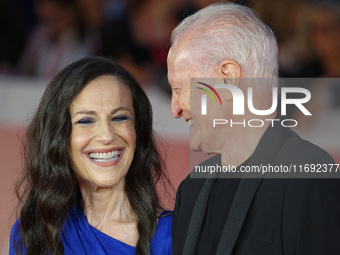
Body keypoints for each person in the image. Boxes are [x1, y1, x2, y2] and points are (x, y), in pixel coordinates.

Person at [167, 2, 340, 255]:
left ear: (227, 78)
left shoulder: (308, 177)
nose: (175, 109)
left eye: (180, 88)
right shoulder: (191, 190)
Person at [10, 56, 172, 255]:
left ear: (137, 131)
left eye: (119, 118)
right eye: (86, 121)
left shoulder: (175, 234)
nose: (106, 136)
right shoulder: (34, 233)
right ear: (59, 137)